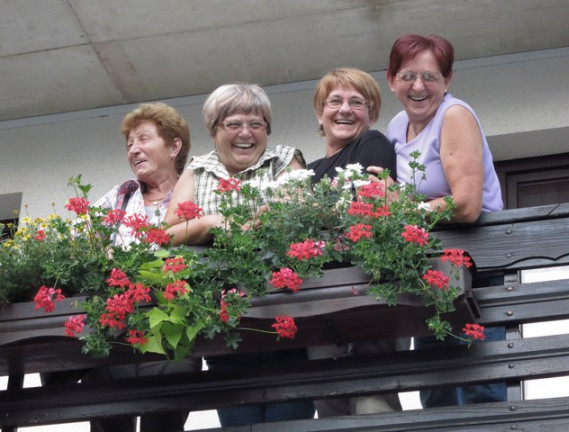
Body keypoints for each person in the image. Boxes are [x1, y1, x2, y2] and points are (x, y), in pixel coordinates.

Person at [164, 83, 315, 426]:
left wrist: (241, 223)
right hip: (224, 326)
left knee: (290, 422)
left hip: (285, 319)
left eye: (256, 123)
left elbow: (300, 212)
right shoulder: (198, 169)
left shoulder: (284, 158)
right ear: (214, 130)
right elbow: (168, 233)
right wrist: (209, 223)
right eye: (233, 124)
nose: (245, 133)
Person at [372, 33, 506, 407]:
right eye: (408, 76)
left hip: (478, 267)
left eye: (430, 77)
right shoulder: (397, 125)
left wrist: (405, 209)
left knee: (479, 386)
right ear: (390, 79)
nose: (418, 86)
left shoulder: (455, 115)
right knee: (436, 390)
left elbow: (466, 206)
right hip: (430, 269)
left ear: (447, 80)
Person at [86, 102, 200, 432]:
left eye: (143, 139)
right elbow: (77, 243)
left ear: (174, 145)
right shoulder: (122, 195)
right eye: (129, 144)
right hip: (116, 333)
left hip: (171, 333)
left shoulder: (197, 191)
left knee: (162, 421)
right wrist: (98, 253)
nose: (134, 149)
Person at [306, 67, 406, 417]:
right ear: (320, 112)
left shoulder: (373, 143)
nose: (345, 109)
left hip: (369, 294)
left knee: (373, 403)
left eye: (357, 102)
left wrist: (313, 210)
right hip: (318, 298)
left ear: (372, 113)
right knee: (329, 404)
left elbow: (367, 211)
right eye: (335, 101)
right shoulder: (309, 169)